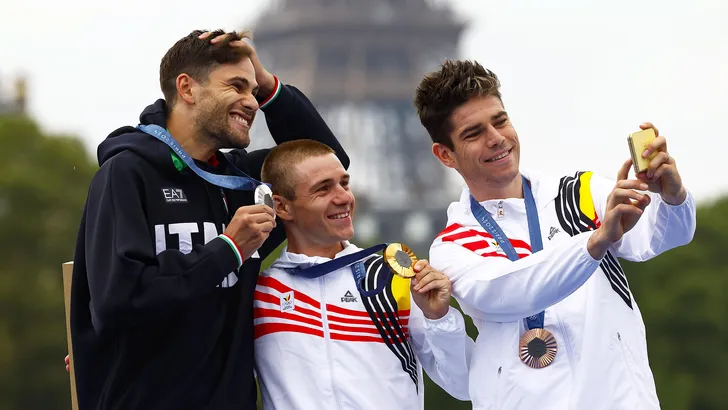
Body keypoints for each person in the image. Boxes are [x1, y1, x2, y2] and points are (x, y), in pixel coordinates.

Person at [68, 29, 348, 410]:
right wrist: (227, 249)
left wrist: (270, 87)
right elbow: (119, 299)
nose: (251, 102)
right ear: (187, 88)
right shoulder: (126, 175)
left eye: (253, 91)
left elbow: (323, 161)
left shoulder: (242, 182)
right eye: (236, 86)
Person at [413, 60, 696, 410]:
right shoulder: (453, 244)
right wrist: (595, 242)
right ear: (445, 154)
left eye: (500, 121)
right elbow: (512, 289)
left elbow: (664, 238)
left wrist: (672, 196)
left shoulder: (580, 192)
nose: (496, 138)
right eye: (474, 133)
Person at [252, 139, 473, 409]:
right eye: (323, 189)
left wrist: (439, 318)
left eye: (344, 183)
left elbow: (463, 385)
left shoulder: (391, 277)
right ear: (282, 207)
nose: (344, 197)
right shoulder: (260, 293)